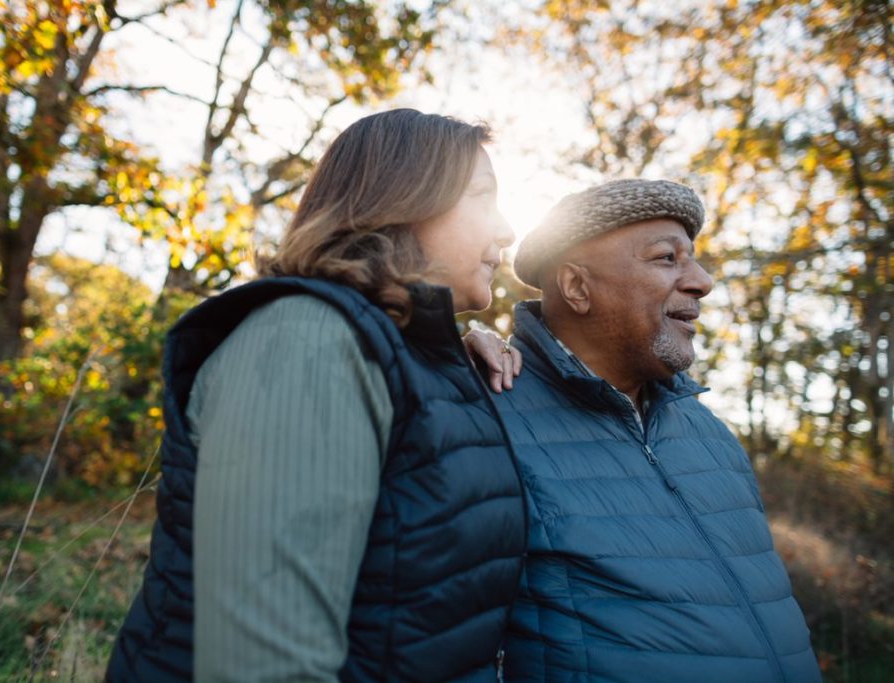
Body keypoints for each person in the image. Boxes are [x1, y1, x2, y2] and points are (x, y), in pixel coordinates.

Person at [106, 109, 529, 682]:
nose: (505, 230)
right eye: (483, 196)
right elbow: (264, 665)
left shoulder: (417, 358)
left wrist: (458, 354)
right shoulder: (306, 341)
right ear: (405, 199)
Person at [493, 179, 822, 682]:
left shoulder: (709, 433)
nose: (703, 281)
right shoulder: (486, 419)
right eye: (667, 258)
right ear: (578, 287)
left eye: (693, 258)